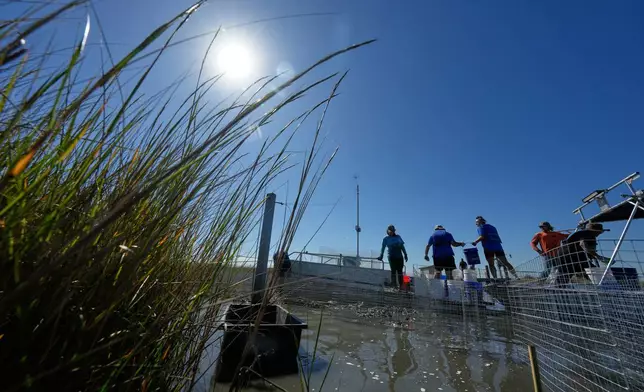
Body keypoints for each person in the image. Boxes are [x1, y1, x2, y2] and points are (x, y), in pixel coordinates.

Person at [377, 225, 408, 289]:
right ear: (387, 231)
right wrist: (381, 255)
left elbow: (402, 247)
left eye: (393, 231)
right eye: (390, 231)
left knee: (400, 271)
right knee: (393, 271)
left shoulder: (398, 237)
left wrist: (405, 254)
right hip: (391, 257)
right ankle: (394, 285)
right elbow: (383, 247)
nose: (391, 232)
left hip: (399, 257)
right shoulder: (386, 239)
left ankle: (401, 286)